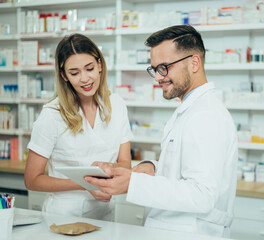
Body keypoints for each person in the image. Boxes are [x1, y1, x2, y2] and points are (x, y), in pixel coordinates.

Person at [85, 25, 238, 236]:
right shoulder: (190, 109)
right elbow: (183, 170)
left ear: (194, 63)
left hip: (192, 232)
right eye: (155, 69)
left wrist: (133, 183)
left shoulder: (206, 116)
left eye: (164, 67)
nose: (158, 77)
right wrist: (150, 168)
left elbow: (202, 194)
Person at [24, 33, 132, 221]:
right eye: (74, 73)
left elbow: (125, 163)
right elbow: (32, 180)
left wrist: (108, 169)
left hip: (106, 214)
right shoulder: (52, 114)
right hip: (63, 218)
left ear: (99, 65)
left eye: (89, 68)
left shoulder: (117, 105)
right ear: (64, 76)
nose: (84, 78)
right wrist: (86, 185)